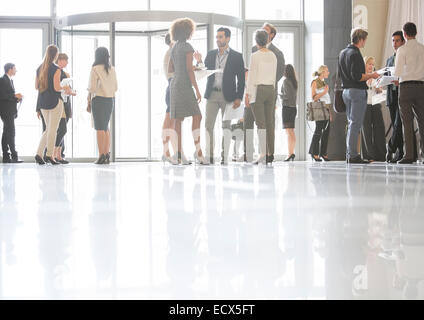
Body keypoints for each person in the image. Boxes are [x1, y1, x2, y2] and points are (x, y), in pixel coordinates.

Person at [197, 27, 245, 165]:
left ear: (228, 38)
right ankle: (210, 156)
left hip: (228, 96)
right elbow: (203, 71)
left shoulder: (237, 56)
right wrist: (199, 61)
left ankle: (224, 158)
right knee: (208, 126)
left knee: (226, 127)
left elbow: (241, 79)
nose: (218, 39)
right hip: (212, 95)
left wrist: (238, 97)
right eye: (217, 37)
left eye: (221, 37)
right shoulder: (211, 54)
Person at [243, 22, 285, 163]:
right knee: (269, 123)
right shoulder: (273, 55)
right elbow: (274, 76)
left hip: (258, 90)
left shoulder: (255, 55)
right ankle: (269, 153)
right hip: (270, 90)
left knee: (261, 123)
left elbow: (252, 76)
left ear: (256, 41)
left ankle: (262, 154)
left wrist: (248, 94)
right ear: (267, 39)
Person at [168, 18, 207, 165]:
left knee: (178, 120)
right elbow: (190, 71)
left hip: (175, 84)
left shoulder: (174, 47)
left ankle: (178, 155)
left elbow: (170, 69)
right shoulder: (187, 47)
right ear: (188, 31)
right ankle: (198, 152)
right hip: (184, 85)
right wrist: (197, 90)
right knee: (197, 116)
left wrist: (184, 68)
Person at [339, 28, 380, 164]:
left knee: (351, 124)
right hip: (356, 92)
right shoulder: (355, 54)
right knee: (355, 124)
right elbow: (357, 76)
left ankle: (349, 153)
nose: (365, 42)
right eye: (365, 40)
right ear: (361, 39)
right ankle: (353, 155)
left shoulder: (343, 53)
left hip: (346, 92)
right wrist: (372, 75)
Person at [35, 45, 72, 165]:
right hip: (55, 102)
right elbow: (57, 87)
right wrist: (65, 87)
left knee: (48, 130)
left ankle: (39, 154)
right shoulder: (56, 69)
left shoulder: (39, 68)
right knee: (53, 129)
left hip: (43, 102)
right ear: (56, 55)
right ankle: (50, 155)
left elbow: (36, 87)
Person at [394, 22, 424, 164]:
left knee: (407, 122)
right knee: (422, 121)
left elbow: (398, 72)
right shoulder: (422, 48)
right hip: (420, 86)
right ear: (416, 33)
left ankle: (409, 156)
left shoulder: (402, 50)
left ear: (404, 34)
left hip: (405, 87)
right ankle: (423, 154)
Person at [87, 47, 118, 165]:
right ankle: (106, 155)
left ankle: (101, 155)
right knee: (105, 127)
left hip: (99, 100)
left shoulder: (95, 69)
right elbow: (115, 87)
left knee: (99, 128)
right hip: (110, 100)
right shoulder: (112, 69)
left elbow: (92, 88)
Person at [161, 34, 188, 165]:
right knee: (170, 122)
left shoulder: (174, 53)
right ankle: (166, 153)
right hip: (173, 88)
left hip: (177, 88)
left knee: (175, 123)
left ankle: (178, 152)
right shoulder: (171, 53)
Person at [385, 31, 406, 163]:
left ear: (403, 42)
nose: (395, 43)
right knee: (395, 125)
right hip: (391, 95)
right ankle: (400, 153)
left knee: (398, 125)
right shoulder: (389, 59)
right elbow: (387, 76)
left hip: (402, 93)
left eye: (397, 40)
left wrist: (401, 80)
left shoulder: (405, 57)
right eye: (393, 40)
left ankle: (391, 147)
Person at [360, 56, 386, 162]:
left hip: (375, 104)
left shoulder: (377, 77)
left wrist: (379, 89)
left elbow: (382, 92)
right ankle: (368, 155)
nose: (371, 66)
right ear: (364, 65)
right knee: (366, 129)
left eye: (372, 64)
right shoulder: (362, 77)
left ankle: (380, 155)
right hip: (365, 104)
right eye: (369, 64)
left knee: (379, 128)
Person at [0, 63, 23, 163]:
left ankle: (6, 156)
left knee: (6, 133)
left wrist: (17, 98)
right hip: (6, 111)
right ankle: (14, 156)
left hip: (10, 110)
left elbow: (9, 97)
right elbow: (3, 96)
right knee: (11, 132)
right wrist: (15, 95)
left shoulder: (10, 80)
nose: (16, 70)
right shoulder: (2, 80)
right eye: (14, 68)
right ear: (10, 69)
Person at [54, 53, 74, 164]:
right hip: (57, 104)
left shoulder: (66, 74)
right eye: (66, 60)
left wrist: (71, 92)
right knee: (61, 129)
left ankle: (59, 155)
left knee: (62, 130)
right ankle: (55, 154)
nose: (67, 63)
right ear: (60, 60)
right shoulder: (55, 72)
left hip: (66, 104)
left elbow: (69, 89)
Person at [309, 65, 332, 162]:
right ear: (322, 72)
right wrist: (325, 92)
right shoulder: (315, 82)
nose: (328, 72)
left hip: (326, 109)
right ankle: (314, 153)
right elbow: (314, 97)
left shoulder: (323, 83)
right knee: (318, 131)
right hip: (319, 109)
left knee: (326, 132)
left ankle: (323, 153)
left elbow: (327, 100)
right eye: (327, 71)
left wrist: (330, 113)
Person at [281, 64, 298, 162]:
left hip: (287, 108)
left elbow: (286, 96)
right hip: (293, 108)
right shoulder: (294, 82)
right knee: (291, 131)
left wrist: (279, 96)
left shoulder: (286, 81)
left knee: (289, 132)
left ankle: (290, 153)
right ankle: (290, 153)